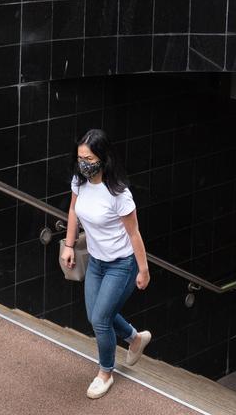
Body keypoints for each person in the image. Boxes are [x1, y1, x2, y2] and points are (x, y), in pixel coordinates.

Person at [60, 129, 152, 400]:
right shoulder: (79, 182)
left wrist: (144, 269)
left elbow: (134, 233)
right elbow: (73, 210)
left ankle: (105, 373)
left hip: (122, 264)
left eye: (88, 158)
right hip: (97, 263)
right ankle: (135, 338)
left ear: (102, 157)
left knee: (101, 319)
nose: (83, 163)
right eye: (79, 158)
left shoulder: (118, 194)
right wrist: (68, 244)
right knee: (96, 316)